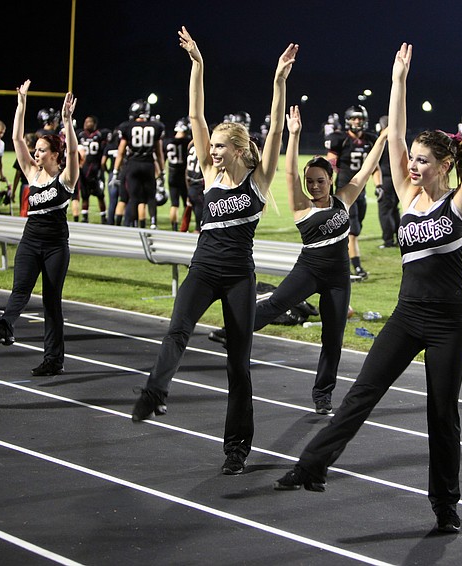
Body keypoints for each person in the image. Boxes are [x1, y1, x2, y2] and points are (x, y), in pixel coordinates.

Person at [274, 44, 462, 535]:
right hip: (406, 315)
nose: (413, 167)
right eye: (413, 161)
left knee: (441, 416)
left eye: (423, 162)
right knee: (361, 393)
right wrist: (398, 79)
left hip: (449, 323)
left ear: (444, 165)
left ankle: (446, 505)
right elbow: (398, 134)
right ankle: (312, 466)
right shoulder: (406, 195)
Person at [131, 27, 298, 478]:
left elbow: (278, 123)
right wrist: (198, 65)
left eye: (222, 146)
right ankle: (155, 392)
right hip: (203, 271)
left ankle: (236, 449)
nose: (211, 150)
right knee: (177, 331)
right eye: (213, 146)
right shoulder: (208, 172)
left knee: (238, 366)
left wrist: (279, 81)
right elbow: (197, 117)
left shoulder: (256, 180)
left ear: (240, 149)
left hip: (239, 277)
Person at [208, 105, 387, 414]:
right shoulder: (302, 206)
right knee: (275, 304)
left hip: (338, 277)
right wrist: (294, 135)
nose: (314, 186)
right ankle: (233, 332)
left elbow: (366, 168)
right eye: (311, 181)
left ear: (331, 179)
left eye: (320, 180)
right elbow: (290, 172)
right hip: (309, 269)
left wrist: (384, 137)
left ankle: (322, 395)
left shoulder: (344, 199)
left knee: (333, 338)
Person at [0, 81, 79, 378]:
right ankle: (5, 326)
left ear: (55, 154)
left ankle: (54, 360)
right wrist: (21, 103)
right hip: (30, 242)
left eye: (42, 150)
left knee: (51, 302)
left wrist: (67, 123)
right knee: (20, 290)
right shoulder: (31, 173)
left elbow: (74, 152)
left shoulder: (65, 179)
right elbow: (16, 137)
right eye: (36, 149)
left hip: (55, 246)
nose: (36, 154)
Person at [325, 104, 381, 280]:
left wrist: (379, 185)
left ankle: (341, 263)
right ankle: (356, 267)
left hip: (361, 191)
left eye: (360, 118)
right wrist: (328, 187)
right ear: (348, 120)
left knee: (355, 229)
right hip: (344, 191)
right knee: (352, 230)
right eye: (354, 118)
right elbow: (331, 165)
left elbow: (375, 167)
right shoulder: (340, 139)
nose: (357, 122)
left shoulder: (370, 139)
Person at [112, 100, 165, 228]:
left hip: (133, 164)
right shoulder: (156, 126)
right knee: (150, 197)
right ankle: (152, 223)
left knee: (134, 198)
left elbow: (121, 152)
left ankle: (131, 225)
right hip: (148, 164)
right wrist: (162, 171)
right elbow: (159, 153)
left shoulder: (127, 126)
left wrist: (115, 171)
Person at [73, 115, 108, 223]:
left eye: (89, 122)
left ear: (94, 124)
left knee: (100, 195)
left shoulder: (99, 135)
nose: (86, 123)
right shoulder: (81, 135)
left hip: (96, 168)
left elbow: (103, 152)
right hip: (84, 168)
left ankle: (103, 217)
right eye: (85, 121)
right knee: (85, 195)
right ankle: (84, 217)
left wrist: (102, 167)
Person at [375, 115, 400, 249]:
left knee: (385, 211)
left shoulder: (381, 141)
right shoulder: (398, 140)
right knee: (395, 210)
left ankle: (388, 241)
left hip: (385, 179)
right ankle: (400, 238)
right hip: (398, 180)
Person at [163, 117, 192, 231]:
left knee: (174, 204)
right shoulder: (187, 142)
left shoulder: (167, 142)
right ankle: (185, 227)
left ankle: (174, 228)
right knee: (187, 203)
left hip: (172, 175)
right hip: (184, 176)